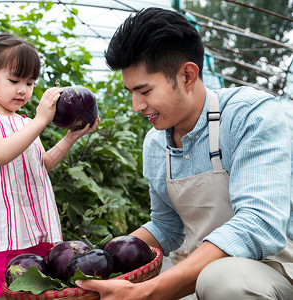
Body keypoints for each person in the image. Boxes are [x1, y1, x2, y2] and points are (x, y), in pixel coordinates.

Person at [76, 7, 292, 300]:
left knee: (221, 280)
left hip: (278, 266)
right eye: (130, 92)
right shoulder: (155, 143)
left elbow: (258, 222)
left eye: (145, 90)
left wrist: (150, 290)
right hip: (206, 273)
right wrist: (95, 261)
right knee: (212, 278)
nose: (136, 106)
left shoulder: (249, 115)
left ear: (188, 75)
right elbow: (167, 227)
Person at [0, 33, 99, 299]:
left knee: (43, 291)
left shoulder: (26, 122)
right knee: (9, 292)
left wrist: (71, 137)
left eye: (29, 82)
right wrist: (40, 120)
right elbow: (0, 154)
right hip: (0, 231)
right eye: (14, 80)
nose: (23, 89)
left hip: (35, 225)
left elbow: (43, 163)